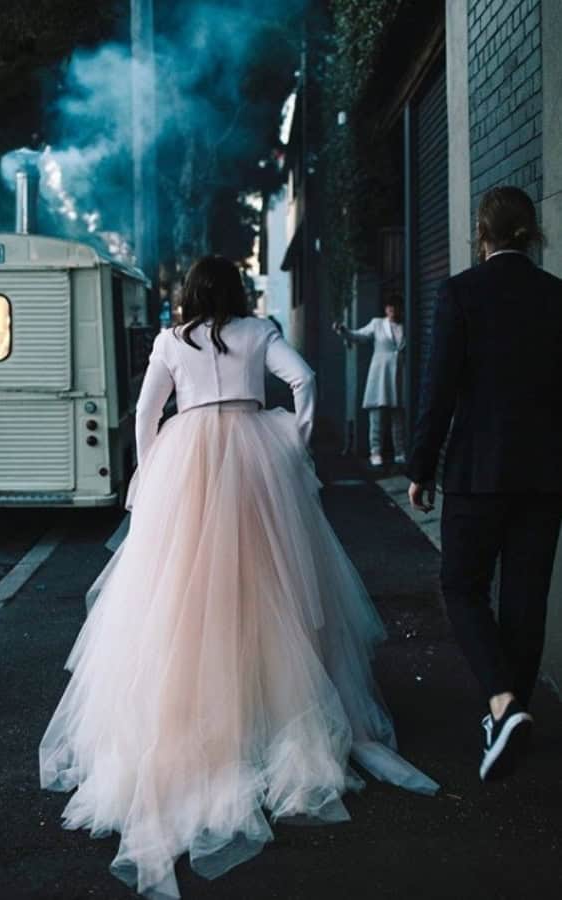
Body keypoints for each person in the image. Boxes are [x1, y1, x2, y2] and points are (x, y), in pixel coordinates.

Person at [39, 256, 438, 899]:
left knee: (181, 595)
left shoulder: (172, 340)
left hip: (189, 464)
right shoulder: (259, 332)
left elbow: (146, 412)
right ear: (236, 291)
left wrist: (153, 469)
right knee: (266, 588)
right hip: (256, 460)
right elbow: (305, 381)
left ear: (191, 294)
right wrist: (294, 443)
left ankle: (196, 718)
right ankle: (270, 714)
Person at [407, 185, 562, 783]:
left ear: (482, 233)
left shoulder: (460, 293)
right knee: (525, 599)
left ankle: (501, 704)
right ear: (531, 232)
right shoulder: (556, 297)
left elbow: (439, 388)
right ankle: (509, 717)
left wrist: (420, 466)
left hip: (478, 473)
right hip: (547, 476)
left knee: (462, 585)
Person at [333, 296, 406, 467]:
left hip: (399, 374)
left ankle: (400, 452)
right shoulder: (377, 324)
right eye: (389, 306)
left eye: (395, 307)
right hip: (380, 375)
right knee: (377, 415)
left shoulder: (404, 326)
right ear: (385, 309)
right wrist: (343, 330)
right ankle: (375, 452)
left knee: (398, 416)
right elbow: (358, 336)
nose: (392, 310)